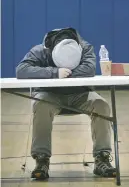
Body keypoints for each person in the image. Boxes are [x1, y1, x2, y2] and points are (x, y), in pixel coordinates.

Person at [16, 27, 116, 180]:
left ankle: (102, 158)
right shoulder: (40, 50)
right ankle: (42, 160)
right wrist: (55, 73)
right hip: (50, 95)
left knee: (101, 105)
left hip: (80, 94)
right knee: (40, 105)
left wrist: (67, 75)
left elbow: (89, 69)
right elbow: (22, 70)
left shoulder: (85, 47)